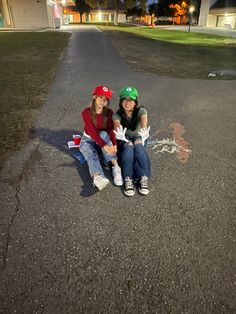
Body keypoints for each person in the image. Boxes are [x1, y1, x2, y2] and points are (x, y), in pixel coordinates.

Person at [79, 85, 123, 190]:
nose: (102, 101)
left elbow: (110, 131)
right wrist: (105, 146)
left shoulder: (109, 113)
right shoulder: (86, 112)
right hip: (88, 140)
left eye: (105, 99)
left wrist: (114, 145)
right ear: (94, 97)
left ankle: (116, 167)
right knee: (90, 154)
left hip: (102, 140)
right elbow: (92, 132)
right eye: (100, 98)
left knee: (104, 134)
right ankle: (97, 177)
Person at [113, 86, 151, 196]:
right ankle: (127, 178)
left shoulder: (141, 111)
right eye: (125, 99)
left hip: (139, 136)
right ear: (121, 102)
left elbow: (144, 123)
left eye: (130, 100)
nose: (127, 102)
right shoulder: (117, 114)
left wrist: (144, 133)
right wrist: (118, 132)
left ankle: (144, 177)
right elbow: (116, 124)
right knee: (129, 146)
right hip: (123, 137)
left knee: (138, 145)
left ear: (135, 102)